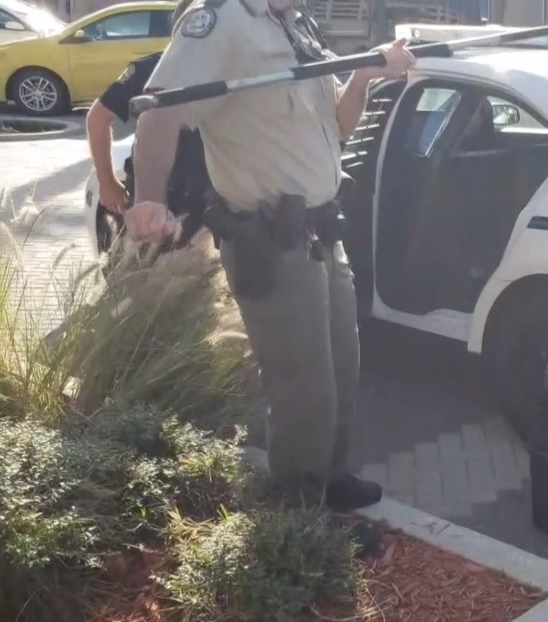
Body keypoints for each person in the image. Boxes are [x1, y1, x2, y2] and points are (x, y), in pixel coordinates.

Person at [122, 0, 416, 510]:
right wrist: (148, 196)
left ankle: (329, 479)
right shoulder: (220, 22)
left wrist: (364, 75)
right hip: (271, 240)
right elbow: (160, 109)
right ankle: (299, 513)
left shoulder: (295, 24)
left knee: (341, 368)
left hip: (321, 231)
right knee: (302, 385)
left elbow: (339, 126)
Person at [84, 0, 208, 253]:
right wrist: (107, 181)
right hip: (156, 198)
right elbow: (97, 118)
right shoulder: (150, 68)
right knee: (149, 270)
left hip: (213, 196)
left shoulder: (235, 73)